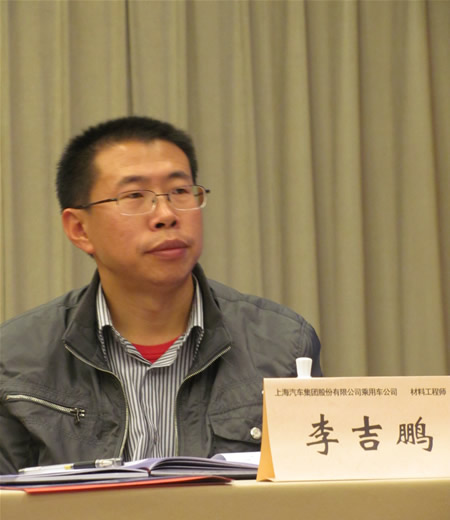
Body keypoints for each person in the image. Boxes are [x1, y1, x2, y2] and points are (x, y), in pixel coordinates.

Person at [0, 116, 322, 474]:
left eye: (180, 192)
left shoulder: (281, 346)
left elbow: (310, 490)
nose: (166, 215)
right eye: (134, 196)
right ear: (80, 229)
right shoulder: (15, 359)